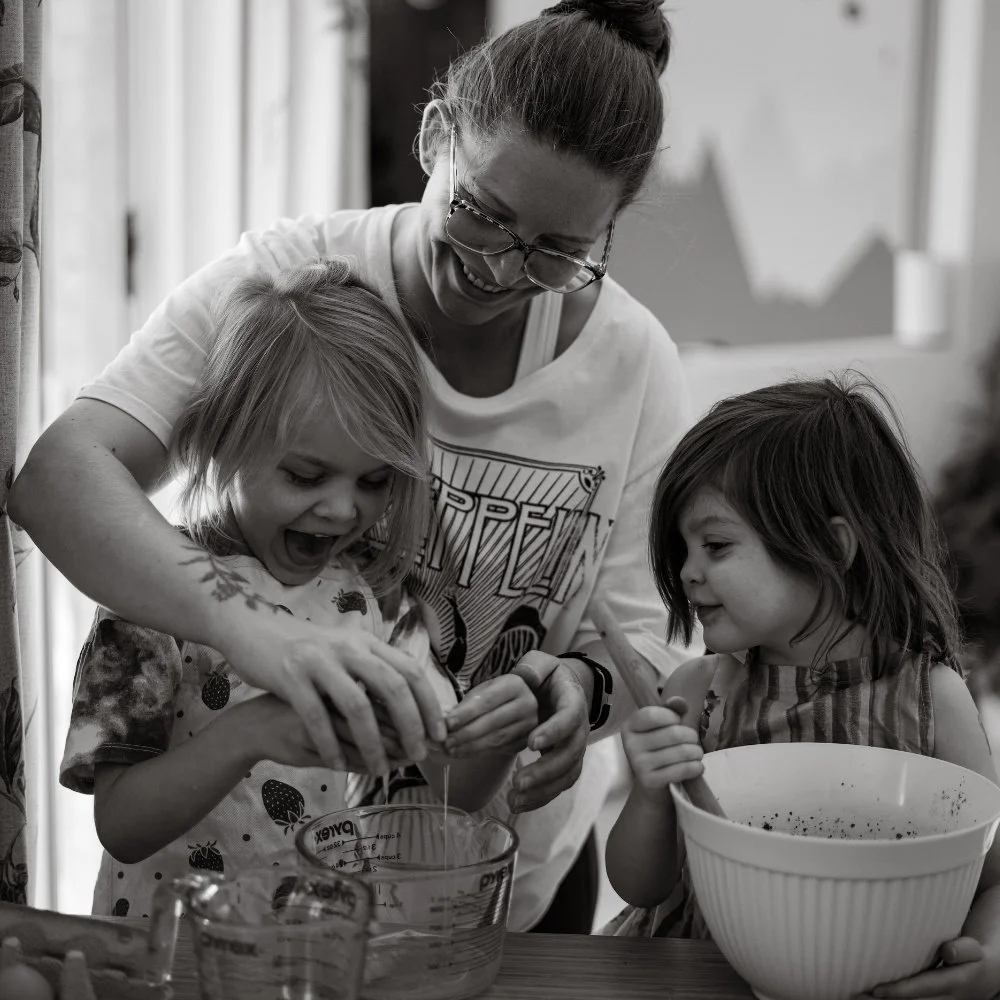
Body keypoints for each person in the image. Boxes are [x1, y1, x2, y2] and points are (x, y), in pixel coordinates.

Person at [10, 0, 694, 932]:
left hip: (503, 886)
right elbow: (60, 477)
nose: (496, 272)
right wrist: (259, 635)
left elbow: (642, 637)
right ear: (432, 136)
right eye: (480, 214)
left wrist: (569, 691)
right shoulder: (291, 280)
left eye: (555, 254)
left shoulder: (637, 362)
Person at [59, 259, 518, 918]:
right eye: (307, 476)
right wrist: (248, 732)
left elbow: (447, 782)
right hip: (170, 956)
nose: (341, 510)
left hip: (309, 954)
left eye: (374, 481)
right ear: (222, 445)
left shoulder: (380, 597)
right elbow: (122, 827)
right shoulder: (150, 594)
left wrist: (498, 735)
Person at [604, 374, 1000, 998]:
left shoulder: (933, 701)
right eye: (682, 548)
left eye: (715, 544)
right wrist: (652, 795)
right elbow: (640, 887)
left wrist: (990, 964)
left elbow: (993, 878)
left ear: (830, 546)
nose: (687, 571)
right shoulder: (698, 693)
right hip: (698, 975)